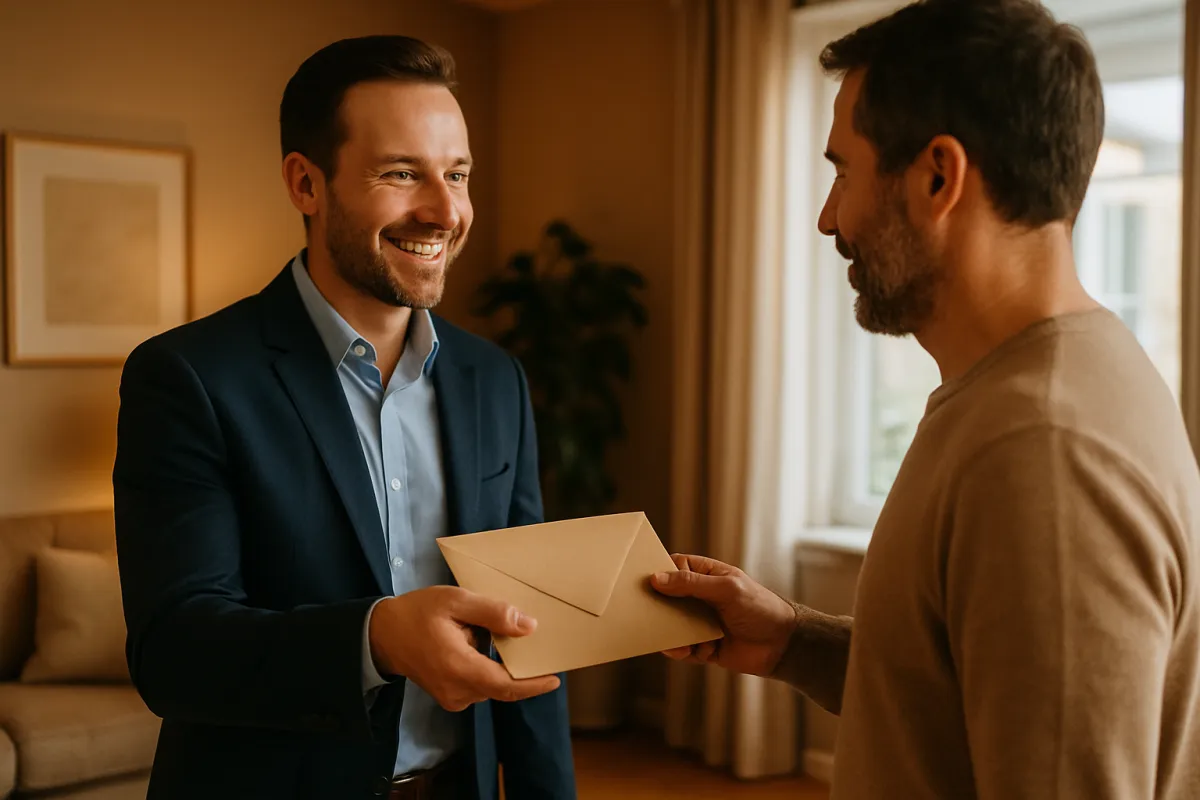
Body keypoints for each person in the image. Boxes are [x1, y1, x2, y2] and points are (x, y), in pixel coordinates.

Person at [652, 1, 1200, 798]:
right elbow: (969, 695)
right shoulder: (1023, 389)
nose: (827, 217)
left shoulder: (1042, 450)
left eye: (843, 170)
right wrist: (792, 643)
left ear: (938, 176)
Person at [113, 36, 575, 800]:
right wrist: (377, 638)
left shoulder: (496, 379)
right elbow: (176, 652)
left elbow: (529, 634)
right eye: (402, 173)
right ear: (306, 183)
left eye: (457, 174)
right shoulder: (188, 377)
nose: (446, 210)